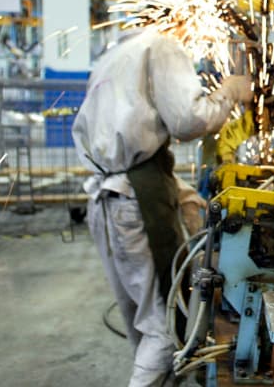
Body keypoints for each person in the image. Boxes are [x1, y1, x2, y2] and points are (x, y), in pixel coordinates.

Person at [72, 28, 252, 387]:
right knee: (164, 325)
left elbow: (130, 151)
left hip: (105, 199)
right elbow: (190, 120)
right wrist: (231, 90)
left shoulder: (113, 55)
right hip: (136, 203)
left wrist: (180, 191)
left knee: (142, 322)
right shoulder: (163, 45)